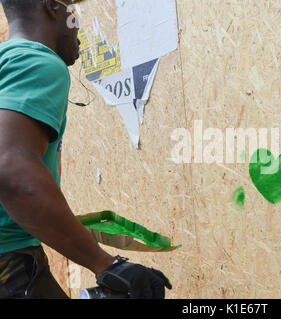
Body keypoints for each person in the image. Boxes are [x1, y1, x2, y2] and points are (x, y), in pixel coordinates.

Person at [0, 0, 172, 299]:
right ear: (53, 8)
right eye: (73, 10)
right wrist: (106, 265)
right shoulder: (37, 62)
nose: (78, 23)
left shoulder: (8, 61)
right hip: (10, 266)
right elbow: (11, 170)